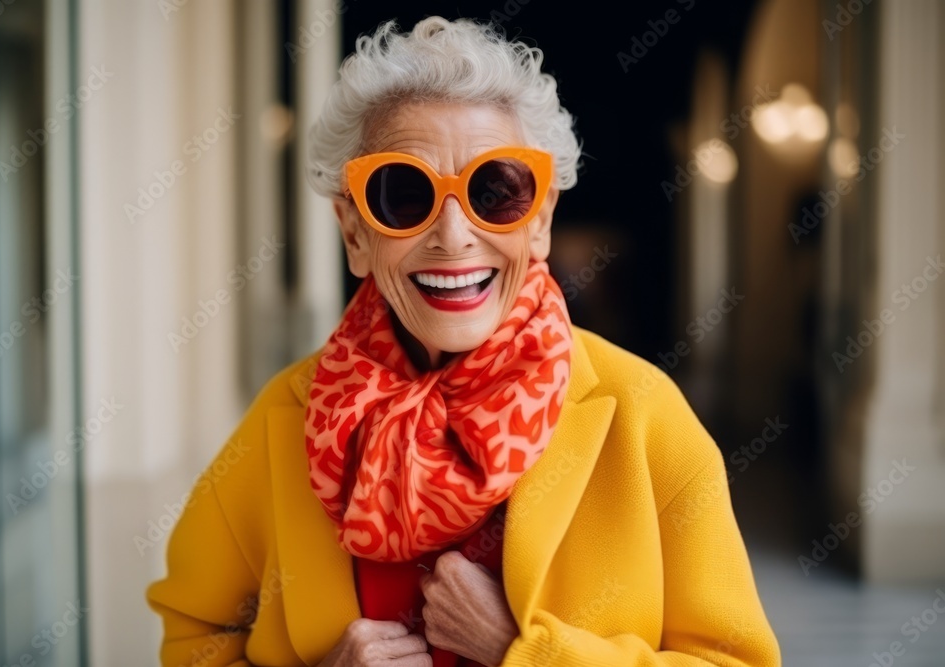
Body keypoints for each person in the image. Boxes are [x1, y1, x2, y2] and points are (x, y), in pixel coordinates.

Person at [147, 16, 781, 667]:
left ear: (539, 222)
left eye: (495, 192)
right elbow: (196, 637)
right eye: (403, 193)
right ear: (354, 232)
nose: (453, 236)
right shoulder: (283, 419)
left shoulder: (645, 415)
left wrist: (523, 651)